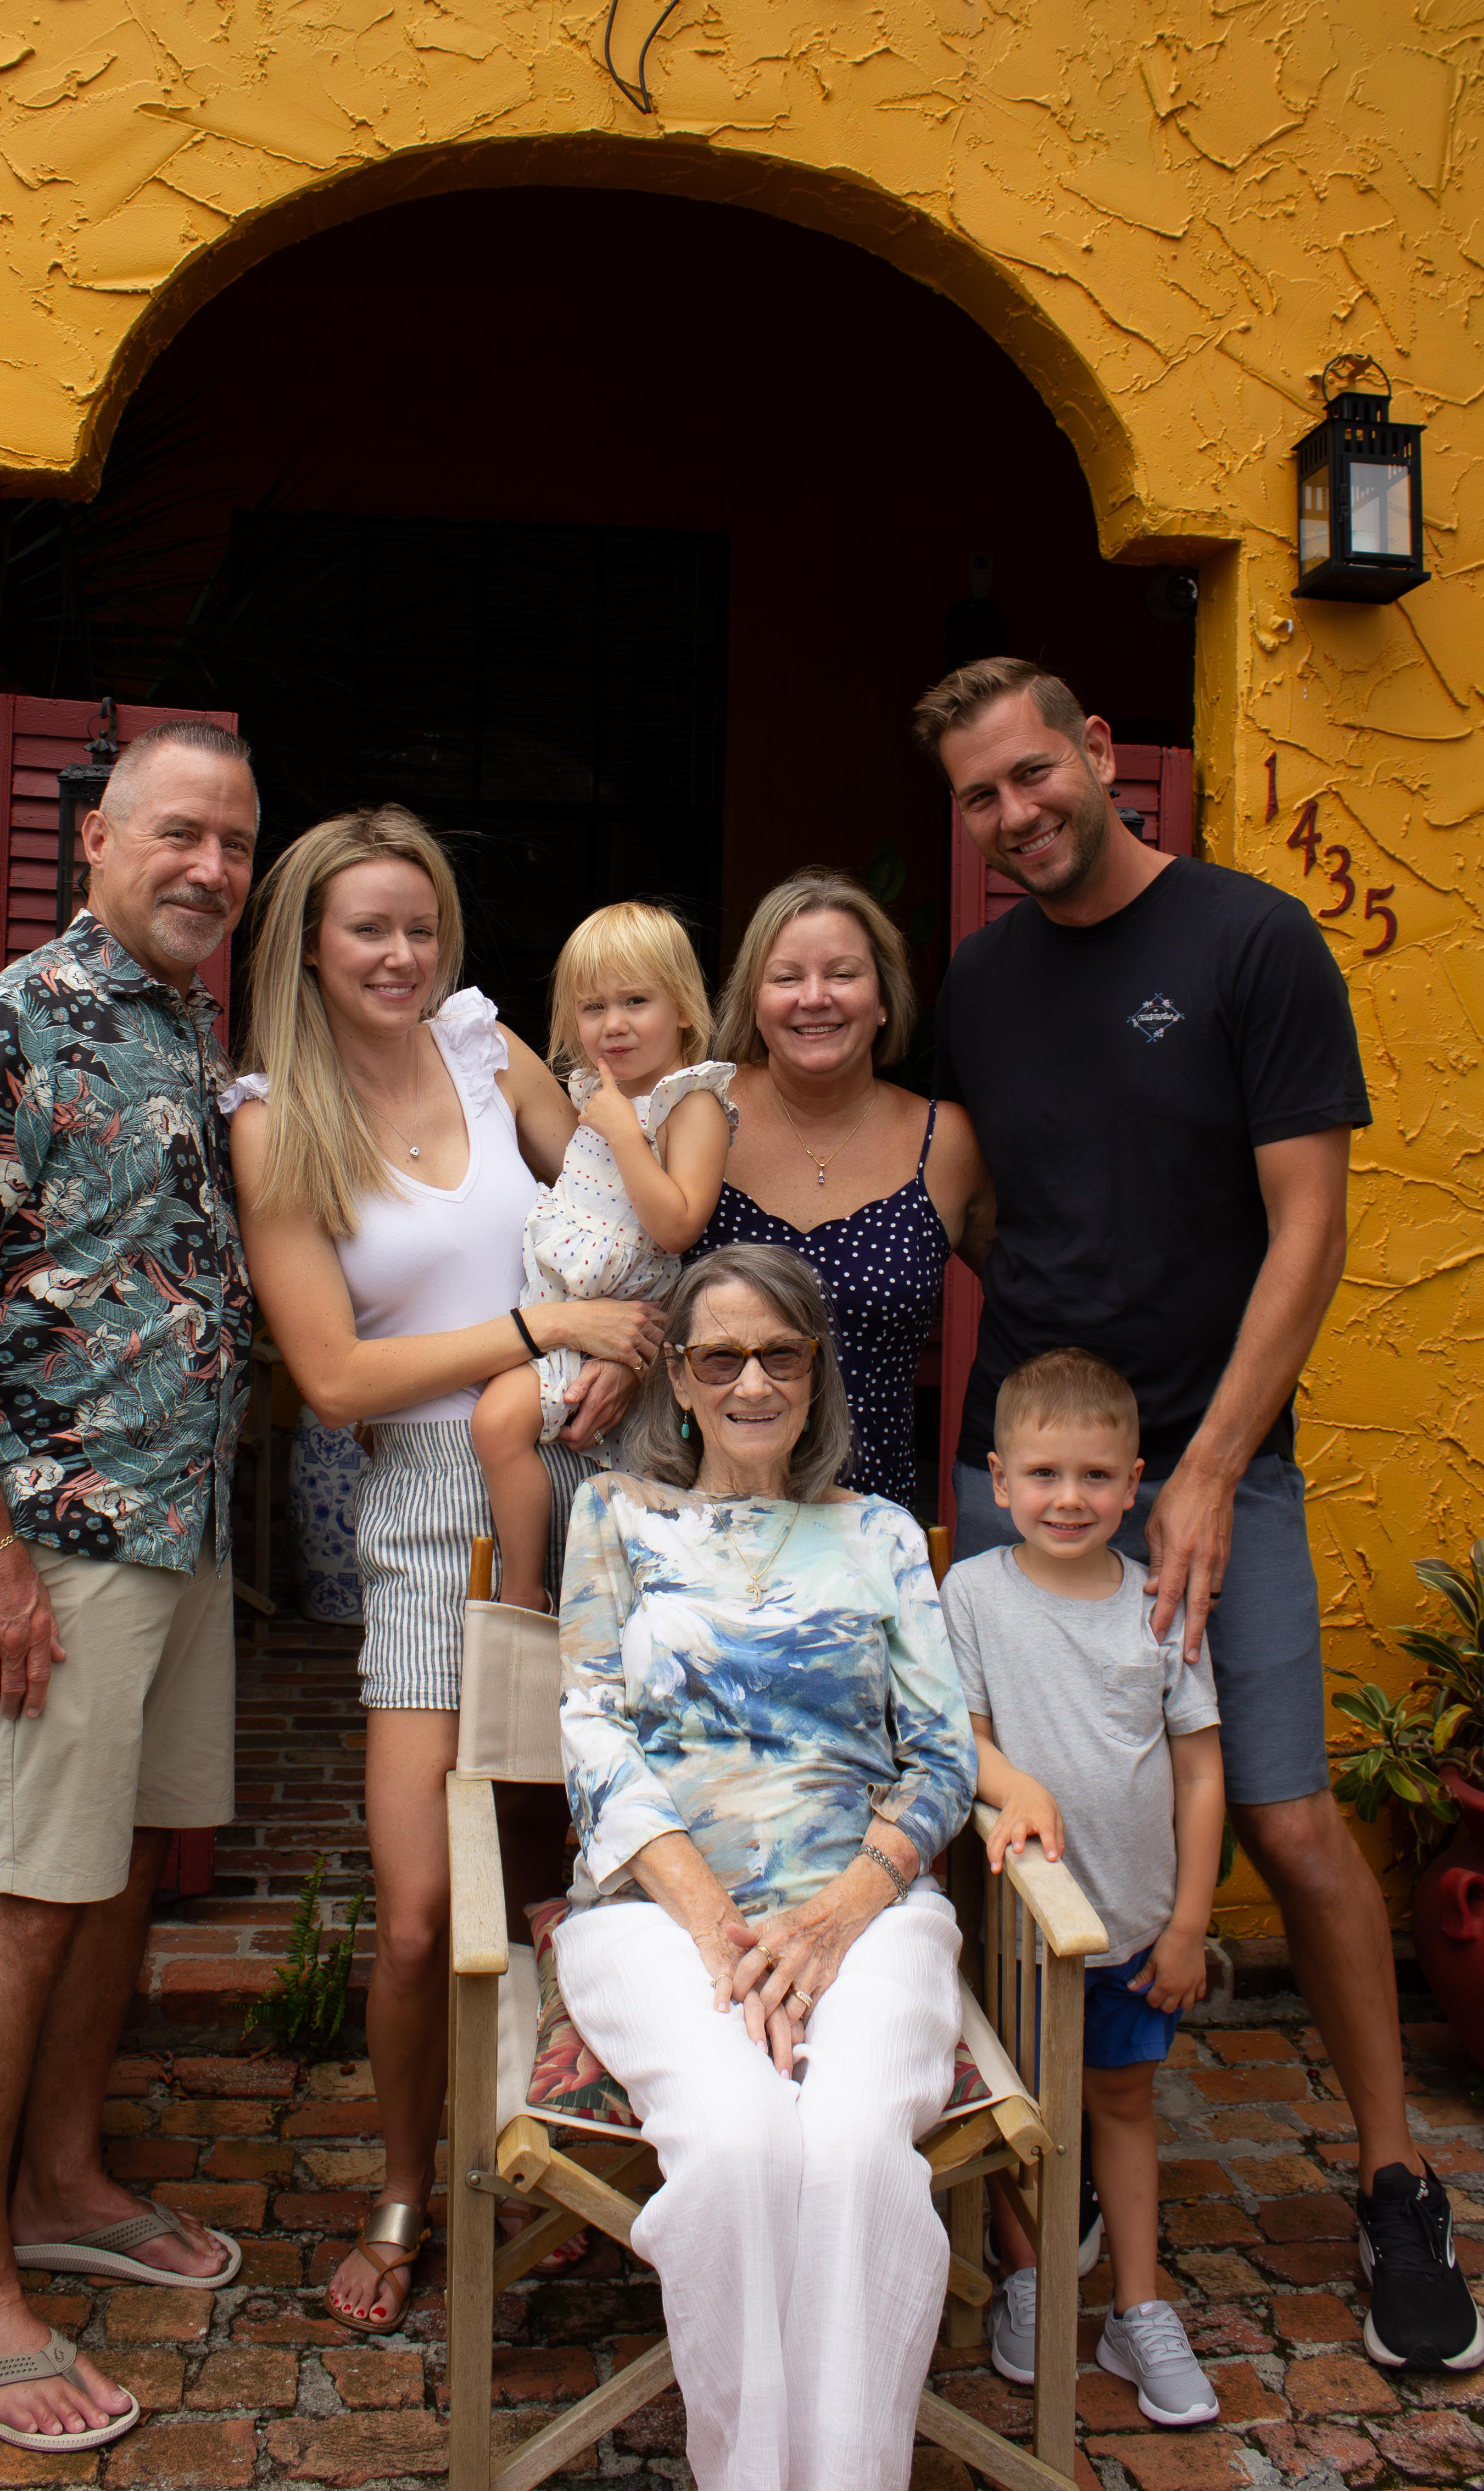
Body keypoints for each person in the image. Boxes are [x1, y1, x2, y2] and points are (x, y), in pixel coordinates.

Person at [916, 653, 1482, 2373]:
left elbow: (1304, 1226)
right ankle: (1040, 2180)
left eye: (1032, 773)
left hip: (1218, 1454)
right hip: (1020, 1470)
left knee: (1292, 1822)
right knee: (994, 1820)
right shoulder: (979, 981)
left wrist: (1214, 1466)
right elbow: (955, 1197)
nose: (1013, 814)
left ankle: (1390, 2180)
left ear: (1097, 754)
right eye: (977, 796)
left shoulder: (1248, 942)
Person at [0, 720, 260, 2455]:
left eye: (237, 845)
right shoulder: (2, 1023)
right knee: (19, 1896)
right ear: (95, 832)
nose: (211, 869)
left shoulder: (189, 1025)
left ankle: (60, 2175)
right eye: (180, 832)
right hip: (55, 1542)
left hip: (178, 1533)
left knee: (110, 1886)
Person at [224, 808, 663, 2336]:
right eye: (368, 929)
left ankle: (585, 2175)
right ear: (309, 945)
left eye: (421, 924)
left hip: (593, 1480)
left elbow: (632, 1193)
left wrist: (635, 1339)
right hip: (421, 1509)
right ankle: (404, 2185)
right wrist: (545, 1332)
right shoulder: (276, 1120)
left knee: (580, 1873)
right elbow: (335, 1375)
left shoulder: (487, 1047)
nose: (402, 955)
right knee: (419, 1907)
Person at [553, 1241, 978, 2491]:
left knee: (851, 2148)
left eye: (778, 1353)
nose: (750, 1380)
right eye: (718, 1355)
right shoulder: (611, 1518)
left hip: (866, 1904)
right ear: (676, 1379)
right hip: (652, 1909)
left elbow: (944, 1753)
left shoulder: (879, 1535)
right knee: (739, 2144)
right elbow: (588, 1730)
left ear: (814, 1372)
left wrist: (838, 1911)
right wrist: (717, 1923)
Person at [940, 1349, 1224, 2426]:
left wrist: (1190, 1918)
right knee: (1021, 2112)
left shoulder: (1154, 1602)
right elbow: (952, 1732)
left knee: (1118, 2103)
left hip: (1135, 1927)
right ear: (999, 1478)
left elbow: (1196, 1764)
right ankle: (1027, 2273)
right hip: (1017, 1934)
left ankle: (1136, 2308)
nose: (1069, 1498)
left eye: (1095, 1476)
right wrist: (1009, 1779)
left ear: (1134, 1481)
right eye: (1044, 1474)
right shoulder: (971, 1593)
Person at [693, 869, 990, 1510]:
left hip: (870, 1530)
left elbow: (1034, 1295)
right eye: (786, 977)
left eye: (843, 973)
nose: (814, 997)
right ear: (753, 999)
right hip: (700, 1521)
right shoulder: (694, 1116)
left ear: (883, 998)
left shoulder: (946, 1143)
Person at [472, 900, 735, 1611]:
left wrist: (624, 1131)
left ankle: (523, 1589)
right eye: (592, 1007)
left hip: (614, 1323)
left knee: (500, 1424)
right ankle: (537, 1584)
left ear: (682, 1007)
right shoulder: (596, 1091)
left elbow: (678, 1222)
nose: (612, 1023)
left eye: (635, 1001)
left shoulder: (691, 1103)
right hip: (560, 1312)